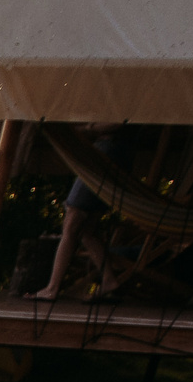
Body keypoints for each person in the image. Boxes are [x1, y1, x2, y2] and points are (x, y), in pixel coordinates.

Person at [34, 123, 129, 302]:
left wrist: (86, 128)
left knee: (72, 221)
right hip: (112, 154)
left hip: (105, 153)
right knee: (87, 231)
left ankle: (52, 288)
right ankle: (109, 280)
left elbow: (115, 124)